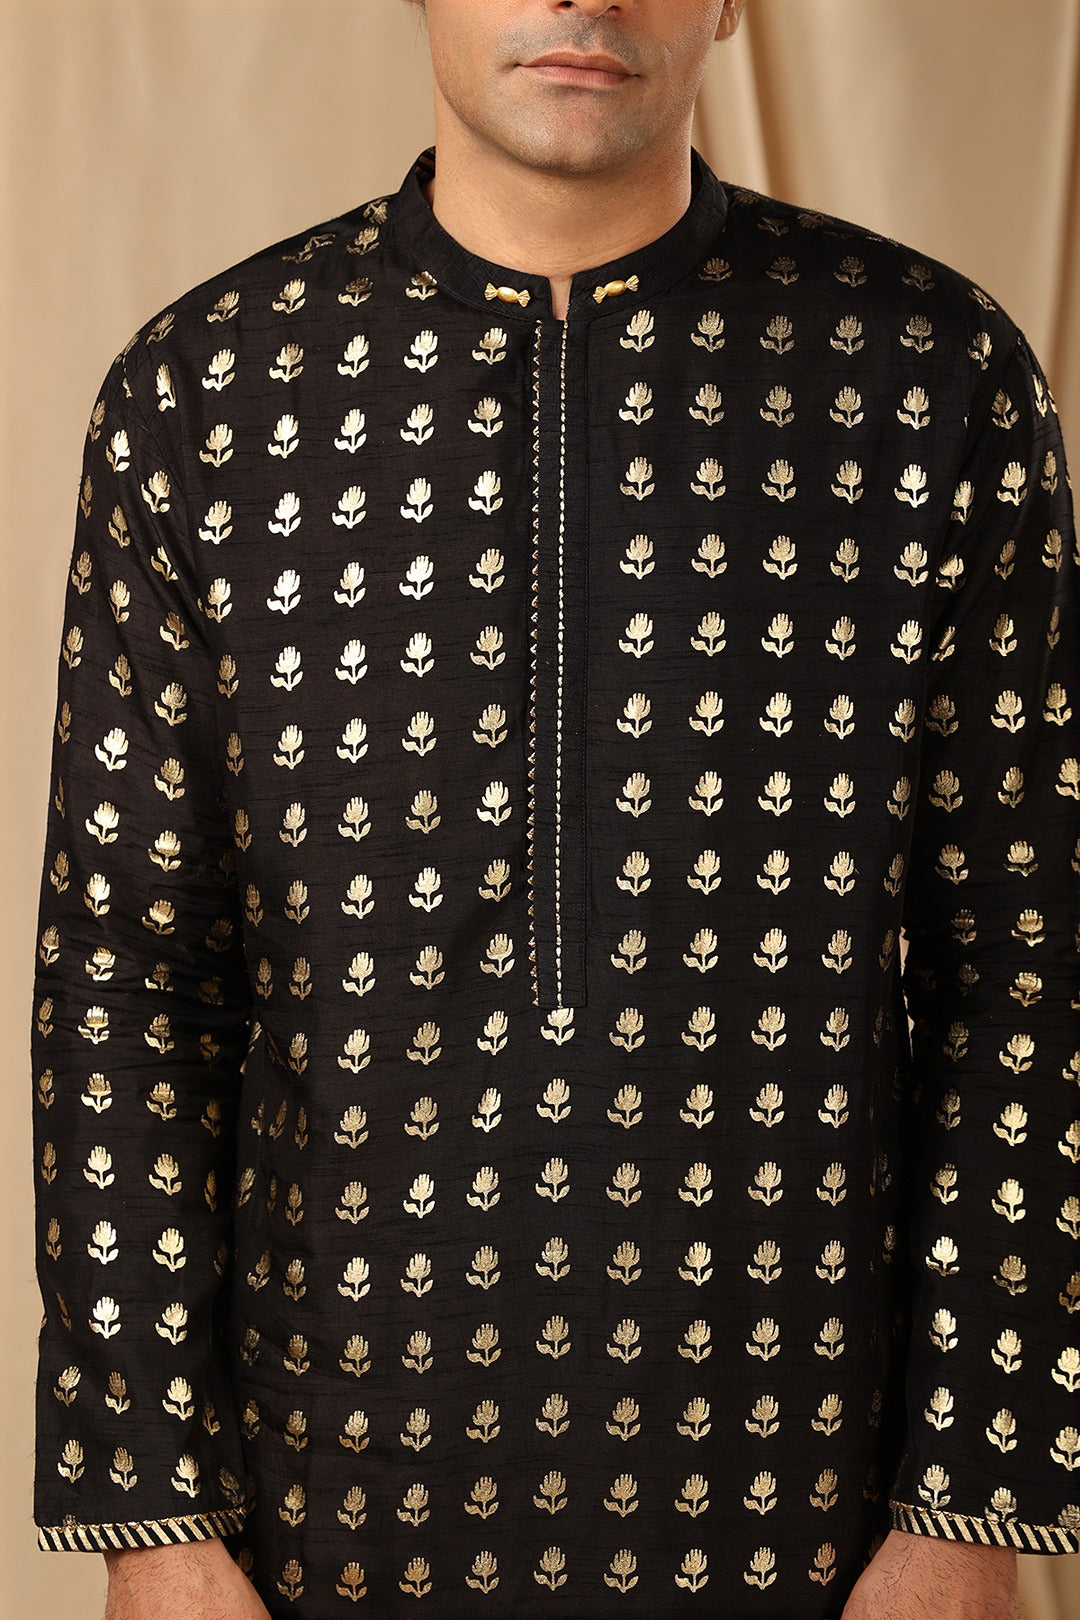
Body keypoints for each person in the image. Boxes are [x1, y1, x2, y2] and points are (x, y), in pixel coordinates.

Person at [29, 0, 1080, 1615]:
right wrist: (161, 1526)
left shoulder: (932, 378)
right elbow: (126, 986)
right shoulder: (207, 399)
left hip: (816, 1515)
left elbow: (1028, 966)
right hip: (327, 1524)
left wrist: (971, 1510)